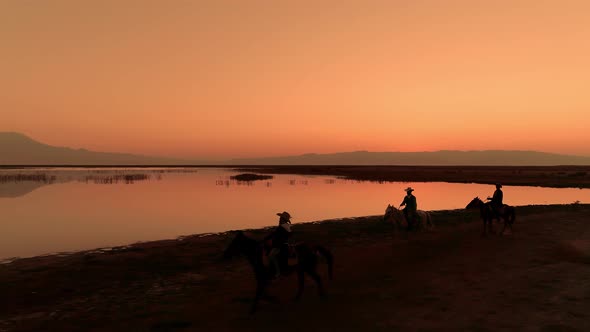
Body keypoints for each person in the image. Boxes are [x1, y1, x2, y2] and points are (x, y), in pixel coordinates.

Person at [264, 211, 293, 279]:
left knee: (271, 256)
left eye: (281, 218)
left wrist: (275, 240)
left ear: (283, 219)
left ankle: (278, 272)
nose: (279, 219)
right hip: (279, 244)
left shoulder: (284, 226)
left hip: (281, 245)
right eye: (280, 218)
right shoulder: (282, 226)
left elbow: (287, 235)